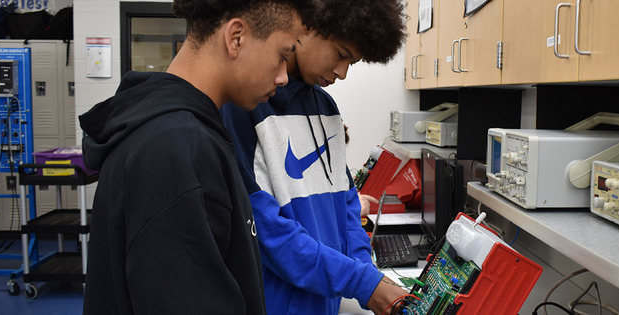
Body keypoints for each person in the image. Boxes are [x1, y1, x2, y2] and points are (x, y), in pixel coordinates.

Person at [78, 0, 308, 313]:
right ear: (235, 37)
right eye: (282, 56)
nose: (283, 77)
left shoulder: (186, 131)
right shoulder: (177, 146)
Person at [218, 0, 409, 314]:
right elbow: (268, 233)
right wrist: (361, 282)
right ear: (306, 27)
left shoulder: (327, 109)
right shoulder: (245, 107)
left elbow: (347, 207)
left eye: (353, 63)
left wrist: (368, 276)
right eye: (341, 54)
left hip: (325, 302)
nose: (343, 73)